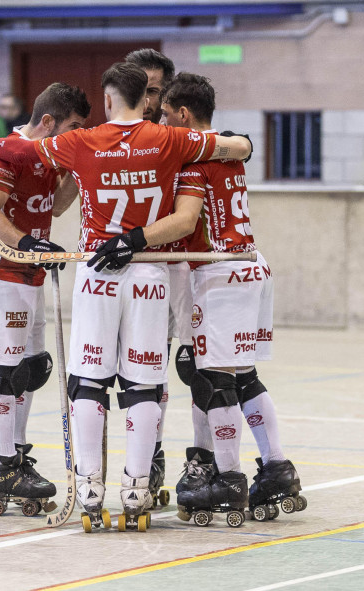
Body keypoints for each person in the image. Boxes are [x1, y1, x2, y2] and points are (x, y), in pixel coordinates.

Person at [0, 62, 252, 530]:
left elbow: (29, 147)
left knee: (87, 383)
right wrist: (247, 142)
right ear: (150, 100)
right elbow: (232, 146)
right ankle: (137, 486)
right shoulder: (170, 140)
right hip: (147, 272)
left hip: (96, 272)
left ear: (107, 100)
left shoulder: (81, 142)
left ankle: (89, 486)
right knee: (143, 383)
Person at [120, 72, 303, 525]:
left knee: (213, 381)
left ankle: (229, 478)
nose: (162, 123)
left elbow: (185, 222)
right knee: (244, 378)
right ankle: (277, 466)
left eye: (166, 115)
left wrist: (132, 239)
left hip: (221, 272)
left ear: (183, 114)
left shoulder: (194, 162)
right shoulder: (225, 149)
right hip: (250, 264)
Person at [0, 83, 90, 517]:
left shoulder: (50, 155)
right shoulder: (10, 152)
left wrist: (80, 168)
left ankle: (16, 455)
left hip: (30, 272)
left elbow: (55, 207)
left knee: (31, 369)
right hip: (0, 271)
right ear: (49, 122)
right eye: (74, 128)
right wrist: (29, 243)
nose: (78, 135)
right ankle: (2, 466)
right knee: (3, 371)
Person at [124, 47, 184, 506]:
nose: (145, 100)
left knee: (153, 368)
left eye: (154, 91)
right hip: (111, 272)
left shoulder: (174, 138)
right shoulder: (106, 135)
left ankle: (153, 454)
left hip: (162, 270)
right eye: (138, 89)